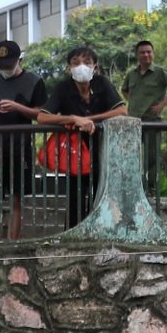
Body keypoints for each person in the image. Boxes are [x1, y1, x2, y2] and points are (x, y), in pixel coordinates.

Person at [36, 45, 127, 228]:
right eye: (76, 63)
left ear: (96, 67)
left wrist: (89, 120)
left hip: (102, 150)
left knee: (102, 196)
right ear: (69, 68)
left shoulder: (102, 83)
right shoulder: (63, 87)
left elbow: (122, 110)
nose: (81, 67)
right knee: (76, 198)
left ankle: (101, 234)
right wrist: (72, 119)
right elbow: (42, 116)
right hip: (75, 153)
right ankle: (73, 235)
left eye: (87, 62)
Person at [0, 40, 48, 240]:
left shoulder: (34, 81)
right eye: (0, 65)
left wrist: (17, 107)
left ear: (18, 60)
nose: (3, 69)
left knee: (17, 199)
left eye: (7, 64)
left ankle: (12, 243)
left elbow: (42, 114)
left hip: (19, 147)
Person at [122, 39, 167, 189]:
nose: (146, 55)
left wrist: (163, 104)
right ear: (137, 55)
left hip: (152, 120)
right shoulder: (132, 74)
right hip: (133, 121)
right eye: (142, 52)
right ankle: (131, 185)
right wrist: (133, 102)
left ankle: (150, 187)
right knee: (130, 155)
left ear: (153, 53)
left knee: (152, 156)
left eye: (148, 52)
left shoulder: (160, 72)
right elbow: (124, 90)